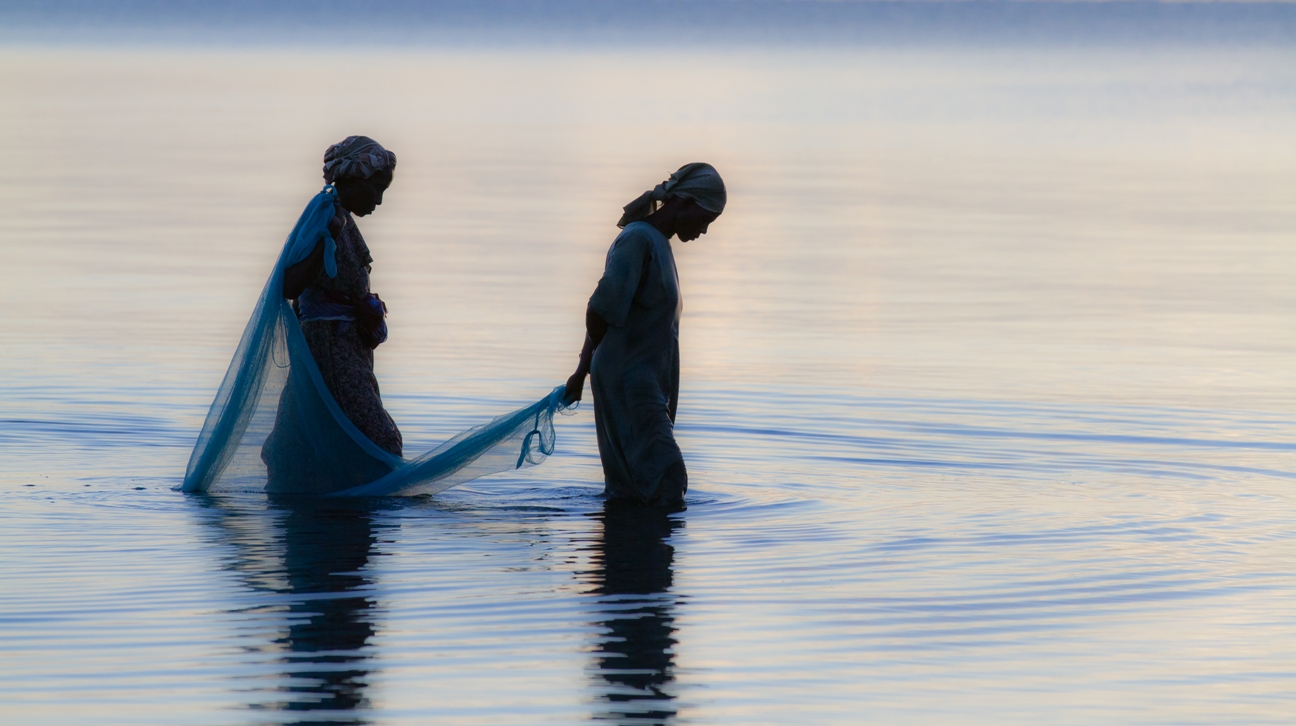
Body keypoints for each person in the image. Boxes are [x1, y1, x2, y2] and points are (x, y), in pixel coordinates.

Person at [564, 163, 726, 507]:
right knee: (668, 476)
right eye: (706, 219)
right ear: (684, 202)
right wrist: (583, 370)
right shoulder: (638, 240)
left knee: (636, 487)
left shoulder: (659, 246)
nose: (704, 230)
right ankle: (638, 554)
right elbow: (600, 309)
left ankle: (626, 551)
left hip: (641, 382)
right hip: (628, 382)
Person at [272, 135, 402, 458]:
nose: (380, 201)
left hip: (345, 353)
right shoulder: (325, 215)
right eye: (377, 189)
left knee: (325, 443)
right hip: (331, 357)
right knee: (382, 442)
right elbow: (290, 285)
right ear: (355, 179)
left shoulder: (341, 216)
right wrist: (326, 237)